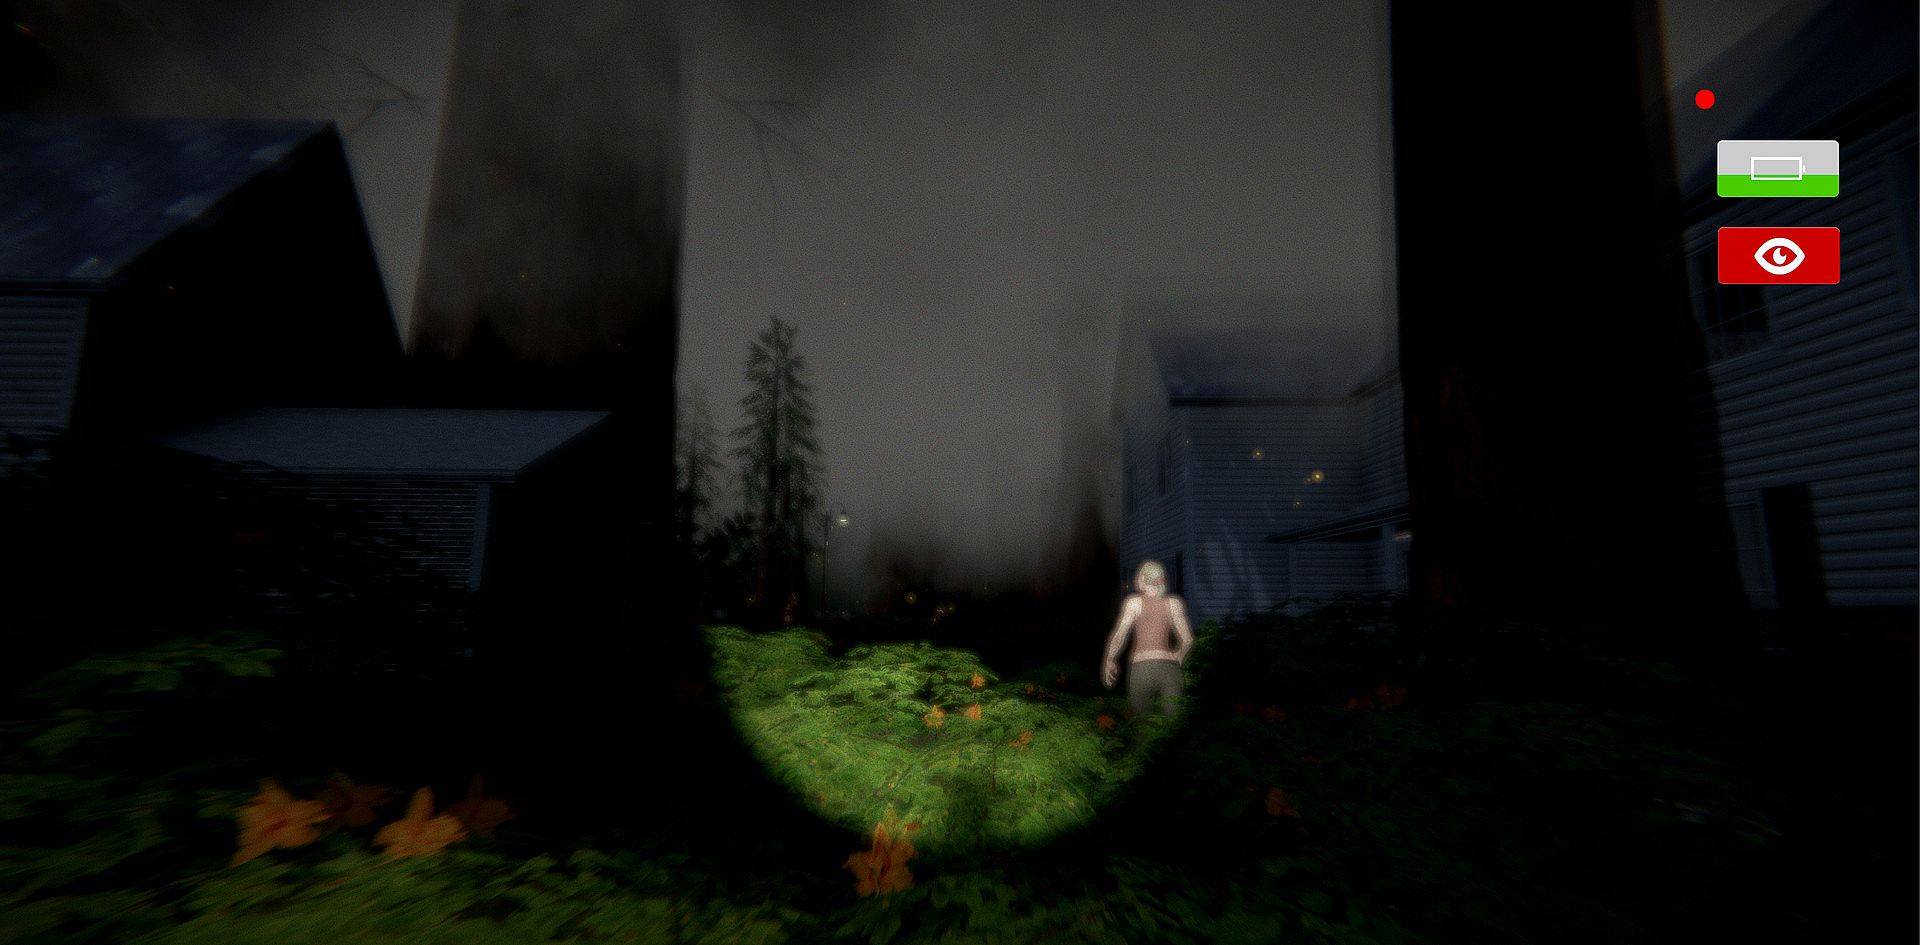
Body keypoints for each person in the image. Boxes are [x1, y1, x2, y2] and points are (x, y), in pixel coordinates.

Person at [1101, 560, 1194, 718]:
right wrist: (1178, 657)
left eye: (1137, 576)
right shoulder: (1174, 603)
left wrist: (1110, 659)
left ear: (1143, 578)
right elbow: (1188, 640)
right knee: (1173, 724)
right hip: (1169, 669)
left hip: (1142, 669)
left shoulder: (1134, 603)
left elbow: (1119, 636)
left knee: (1143, 724)